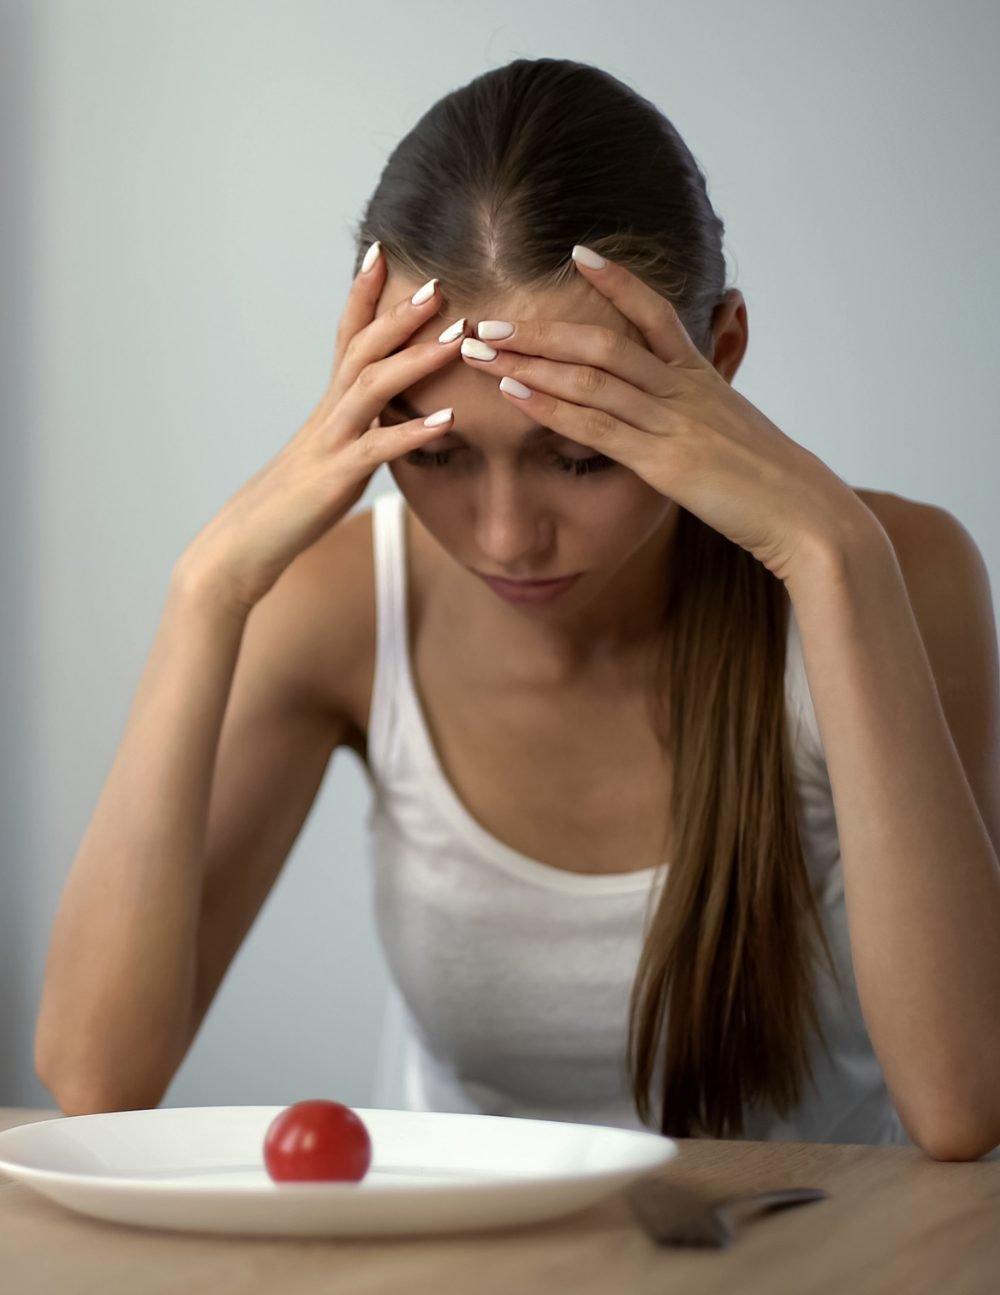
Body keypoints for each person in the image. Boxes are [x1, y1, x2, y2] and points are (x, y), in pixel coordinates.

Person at [32, 58, 997, 1156]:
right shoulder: (343, 607)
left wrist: (830, 554)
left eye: (579, 458)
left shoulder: (890, 574)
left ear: (718, 354)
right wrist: (204, 593)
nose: (504, 537)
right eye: (434, 453)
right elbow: (97, 1075)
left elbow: (961, 1105)